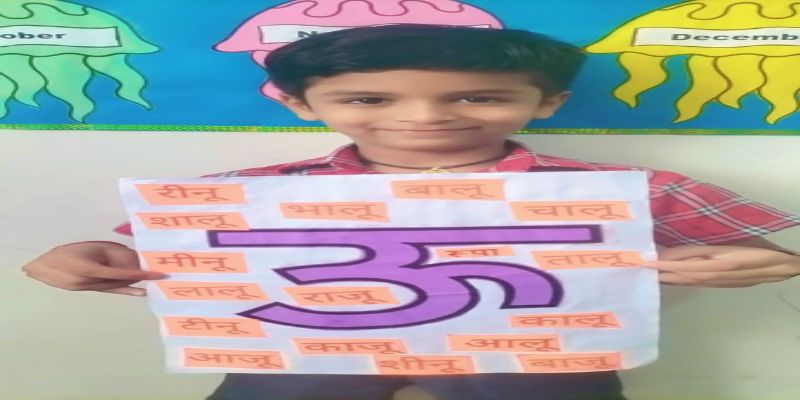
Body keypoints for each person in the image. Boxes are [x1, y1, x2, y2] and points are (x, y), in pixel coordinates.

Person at [22, 25, 800, 400]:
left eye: (479, 96)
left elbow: (774, 243)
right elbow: (146, 254)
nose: (424, 118)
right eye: (368, 99)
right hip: (307, 362)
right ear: (300, 105)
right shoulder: (243, 191)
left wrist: (777, 262)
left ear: (547, 102)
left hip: (529, 366)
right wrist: (87, 257)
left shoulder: (621, 188)